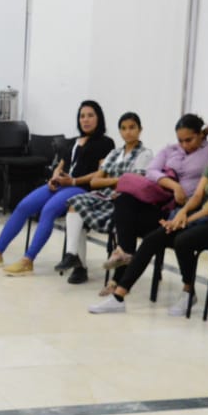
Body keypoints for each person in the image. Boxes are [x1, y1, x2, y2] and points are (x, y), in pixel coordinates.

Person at [89, 125, 208, 315]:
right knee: (152, 239)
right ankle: (118, 297)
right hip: (201, 219)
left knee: (183, 240)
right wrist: (181, 214)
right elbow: (197, 197)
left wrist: (186, 220)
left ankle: (188, 292)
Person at [0, 100, 115, 276]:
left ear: (99, 118)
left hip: (82, 188)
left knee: (48, 210)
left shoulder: (105, 143)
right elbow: (61, 164)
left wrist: (73, 181)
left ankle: (28, 260)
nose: (85, 120)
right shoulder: (75, 141)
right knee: (23, 206)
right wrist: (54, 177)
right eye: (82, 116)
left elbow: (101, 174)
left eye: (90, 115)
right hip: (62, 184)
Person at [103, 114, 208, 281]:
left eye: (189, 139)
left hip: (187, 213)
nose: (185, 145)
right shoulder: (170, 150)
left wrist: (205, 131)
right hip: (163, 205)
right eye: (181, 140)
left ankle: (119, 279)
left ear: (200, 134)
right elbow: (151, 171)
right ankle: (124, 254)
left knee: (144, 235)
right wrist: (175, 187)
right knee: (124, 200)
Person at [61, 111, 154, 285]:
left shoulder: (145, 154)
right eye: (124, 128)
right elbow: (95, 181)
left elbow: (134, 184)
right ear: (119, 131)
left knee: (84, 211)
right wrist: (119, 180)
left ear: (140, 130)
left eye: (132, 127)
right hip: (106, 196)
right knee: (76, 203)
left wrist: (111, 181)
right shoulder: (114, 153)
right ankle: (73, 256)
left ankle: (80, 263)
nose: (128, 132)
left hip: (126, 202)